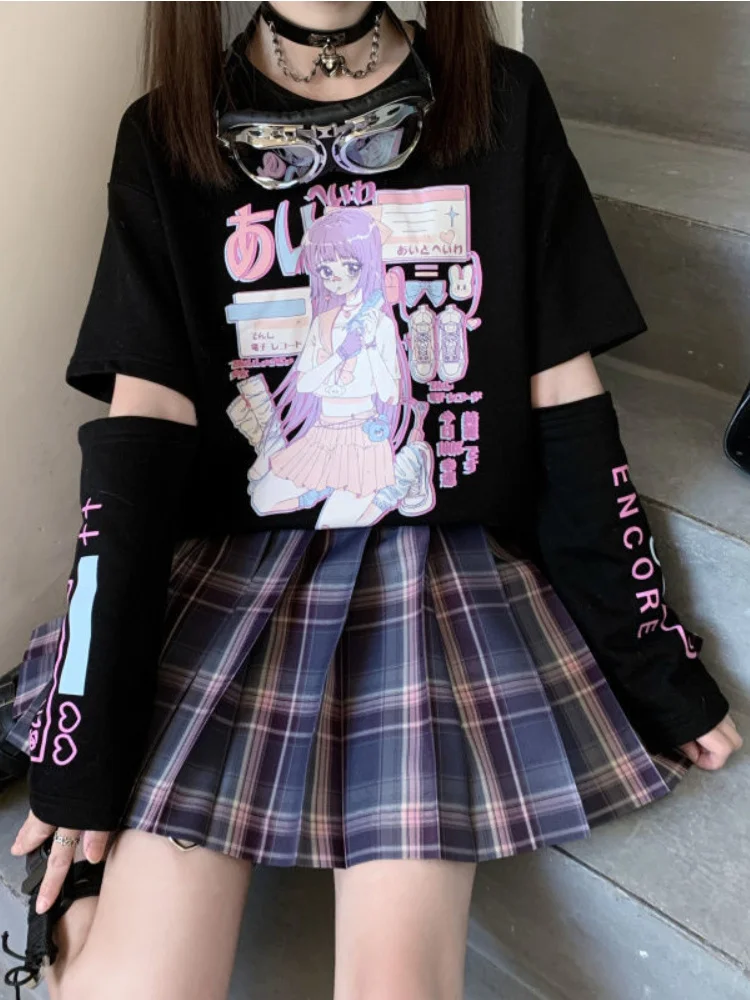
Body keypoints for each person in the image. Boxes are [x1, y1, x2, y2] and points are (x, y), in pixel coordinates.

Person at [1, 4, 742, 999]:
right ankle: (79, 906)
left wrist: (651, 658)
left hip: (436, 581)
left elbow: (565, 404)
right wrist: (84, 747)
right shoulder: (168, 131)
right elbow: (135, 460)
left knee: (399, 984)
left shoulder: (500, 100)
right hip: (239, 573)